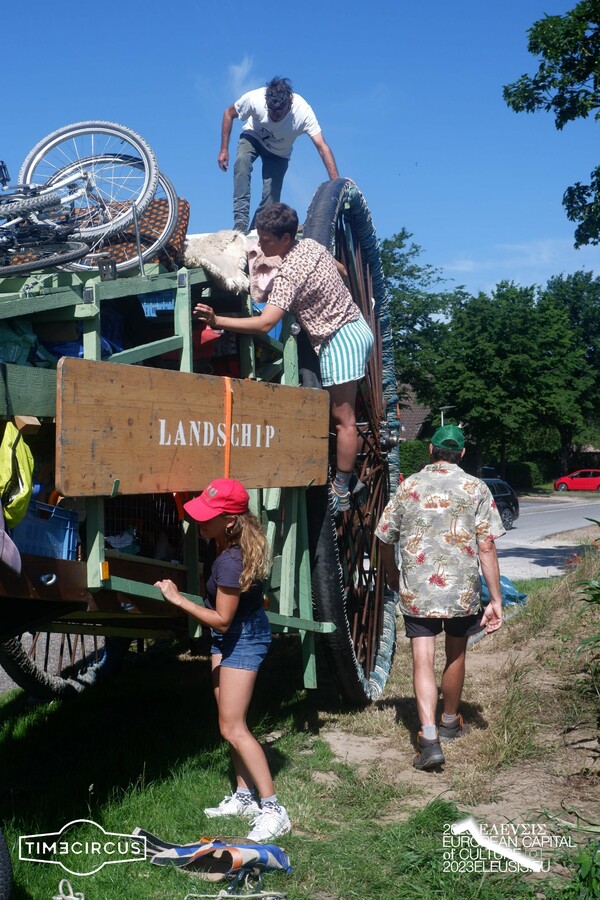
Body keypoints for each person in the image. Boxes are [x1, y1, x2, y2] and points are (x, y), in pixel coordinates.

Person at [193, 203, 374, 515]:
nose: (260, 246)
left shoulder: (289, 273)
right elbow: (342, 271)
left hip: (339, 341)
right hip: (355, 326)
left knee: (343, 421)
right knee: (340, 418)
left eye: (267, 241)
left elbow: (264, 323)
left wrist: (217, 320)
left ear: (287, 237)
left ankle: (342, 489)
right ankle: (345, 477)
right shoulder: (312, 245)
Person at [154, 478, 291, 841]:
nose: (200, 521)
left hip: (241, 639)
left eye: (208, 516)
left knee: (233, 728)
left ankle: (274, 809)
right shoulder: (223, 544)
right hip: (228, 639)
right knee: (229, 723)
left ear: (230, 521)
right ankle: (244, 797)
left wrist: (178, 600)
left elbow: (222, 618)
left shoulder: (231, 560)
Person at [375, 425, 505, 771]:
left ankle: (428, 737)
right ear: (461, 454)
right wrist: (495, 598)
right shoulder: (475, 487)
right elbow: (487, 544)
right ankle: (449, 719)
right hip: (461, 590)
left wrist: (391, 573)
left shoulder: (409, 486)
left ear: (430, 450)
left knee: (422, 657)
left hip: (419, 589)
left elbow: (384, 537)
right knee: (455, 652)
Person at [218, 76, 339, 233]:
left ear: (289, 103)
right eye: (271, 109)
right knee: (242, 162)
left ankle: (257, 229)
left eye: (279, 111)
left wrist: (336, 181)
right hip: (253, 137)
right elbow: (228, 113)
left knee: (271, 198)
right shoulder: (255, 98)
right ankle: (240, 224)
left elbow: (322, 146)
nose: (274, 115)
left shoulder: (303, 112)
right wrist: (224, 149)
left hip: (279, 153)